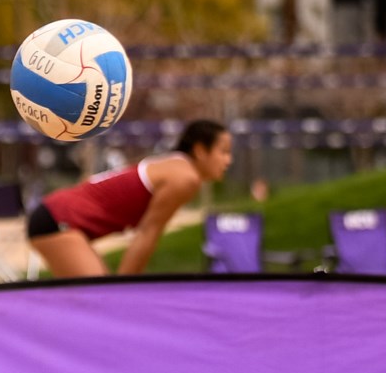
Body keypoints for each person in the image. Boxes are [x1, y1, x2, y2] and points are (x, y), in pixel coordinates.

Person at [26, 118, 234, 278]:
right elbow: (147, 233)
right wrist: (125, 289)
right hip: (58, 219)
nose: (228, 160)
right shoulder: (185, 178)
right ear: (200, 150)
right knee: (100, 301)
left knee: (95, 302)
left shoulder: (172, 165)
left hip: (57, 215)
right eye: (224, 152)